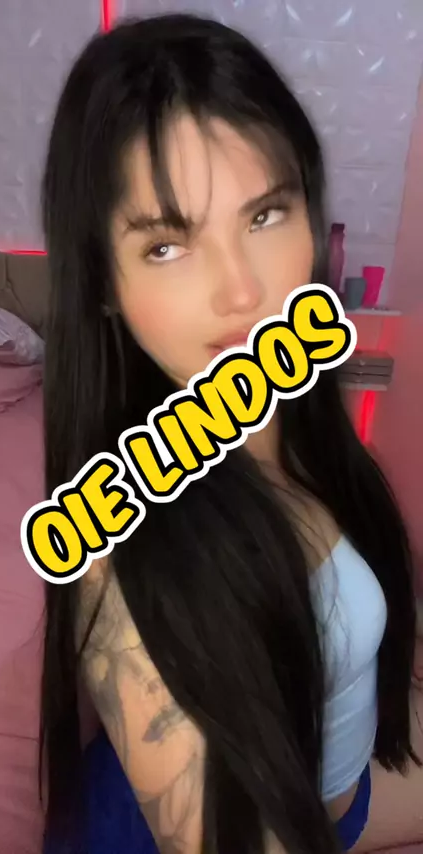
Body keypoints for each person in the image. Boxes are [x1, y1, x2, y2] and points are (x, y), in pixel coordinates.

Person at [39, 13, 423, 854]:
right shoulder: (122, 553)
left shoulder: (297, 421)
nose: (242, 290)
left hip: (341, 797)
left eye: (265, 214)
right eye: (168, 246)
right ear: (102, 282)